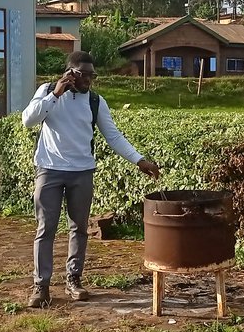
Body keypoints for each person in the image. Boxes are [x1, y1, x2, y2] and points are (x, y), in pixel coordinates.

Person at [21, 50, 160, 308]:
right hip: (49, 169)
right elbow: (28, 120)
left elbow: (114, 136)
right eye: (83, 75)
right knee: (45, 228)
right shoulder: (47, 91)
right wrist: (55, 95)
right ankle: (41, 285)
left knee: (79, 228)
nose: (88, 80)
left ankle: (74, 280)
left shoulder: (96, 101)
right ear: (70, 73)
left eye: (92, 75)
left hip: (82, 172)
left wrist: (139, 160)